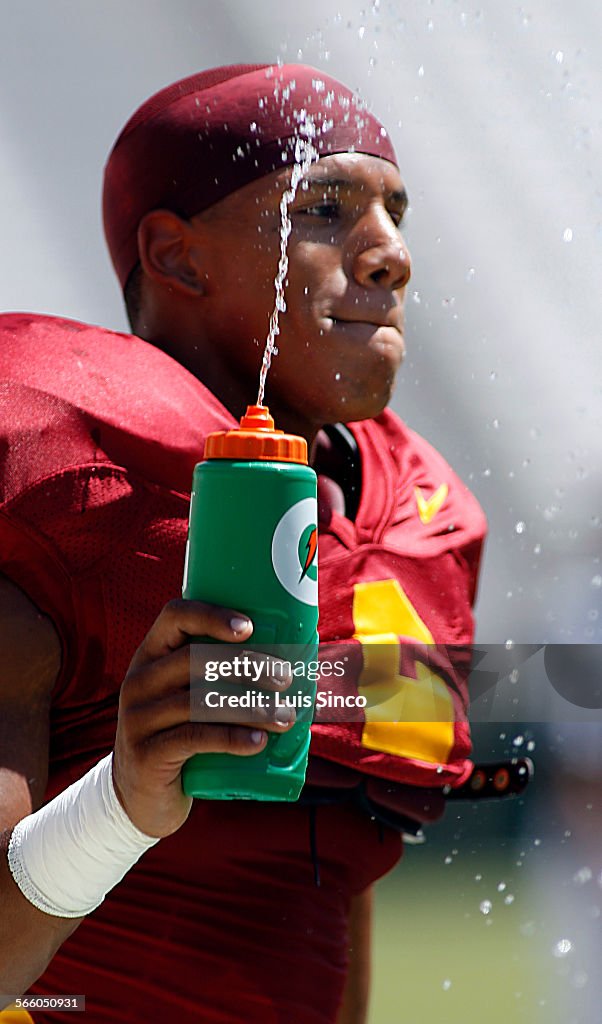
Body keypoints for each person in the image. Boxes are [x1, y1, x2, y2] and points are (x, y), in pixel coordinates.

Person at [0, 64, 486, 1024]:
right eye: (326, 208)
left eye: (397, 211)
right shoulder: (71, 473)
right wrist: (123, 803)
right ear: (177, 256)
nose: (390, 255)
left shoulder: (421, 516)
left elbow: (329, 890)